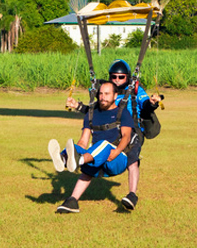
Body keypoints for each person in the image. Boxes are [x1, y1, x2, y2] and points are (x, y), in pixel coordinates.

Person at [49, 79, 136, 214]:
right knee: (76, 147)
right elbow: (84, 140)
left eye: (107, 94)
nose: (103, 97)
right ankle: (64, 162)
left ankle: (79, 160)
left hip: (117, 159)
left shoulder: (122, 112)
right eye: (101, 94)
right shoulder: (91, 114)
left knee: (103, 144)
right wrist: (77, 150)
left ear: (115, 96)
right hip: (96, 158)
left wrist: (117, 151)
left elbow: (126, 137)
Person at [106, 59, 155, 212]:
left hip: (133, 131)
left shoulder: (136, 91)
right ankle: (71, 158)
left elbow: (145, 105)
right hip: (112, 131)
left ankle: (132, 195)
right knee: (97, 154)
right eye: (114, 77)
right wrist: (78, 106)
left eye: (121, 77)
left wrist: (152, 104)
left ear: (127, 77)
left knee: (132, 160)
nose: (117, 80)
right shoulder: (108, 92)